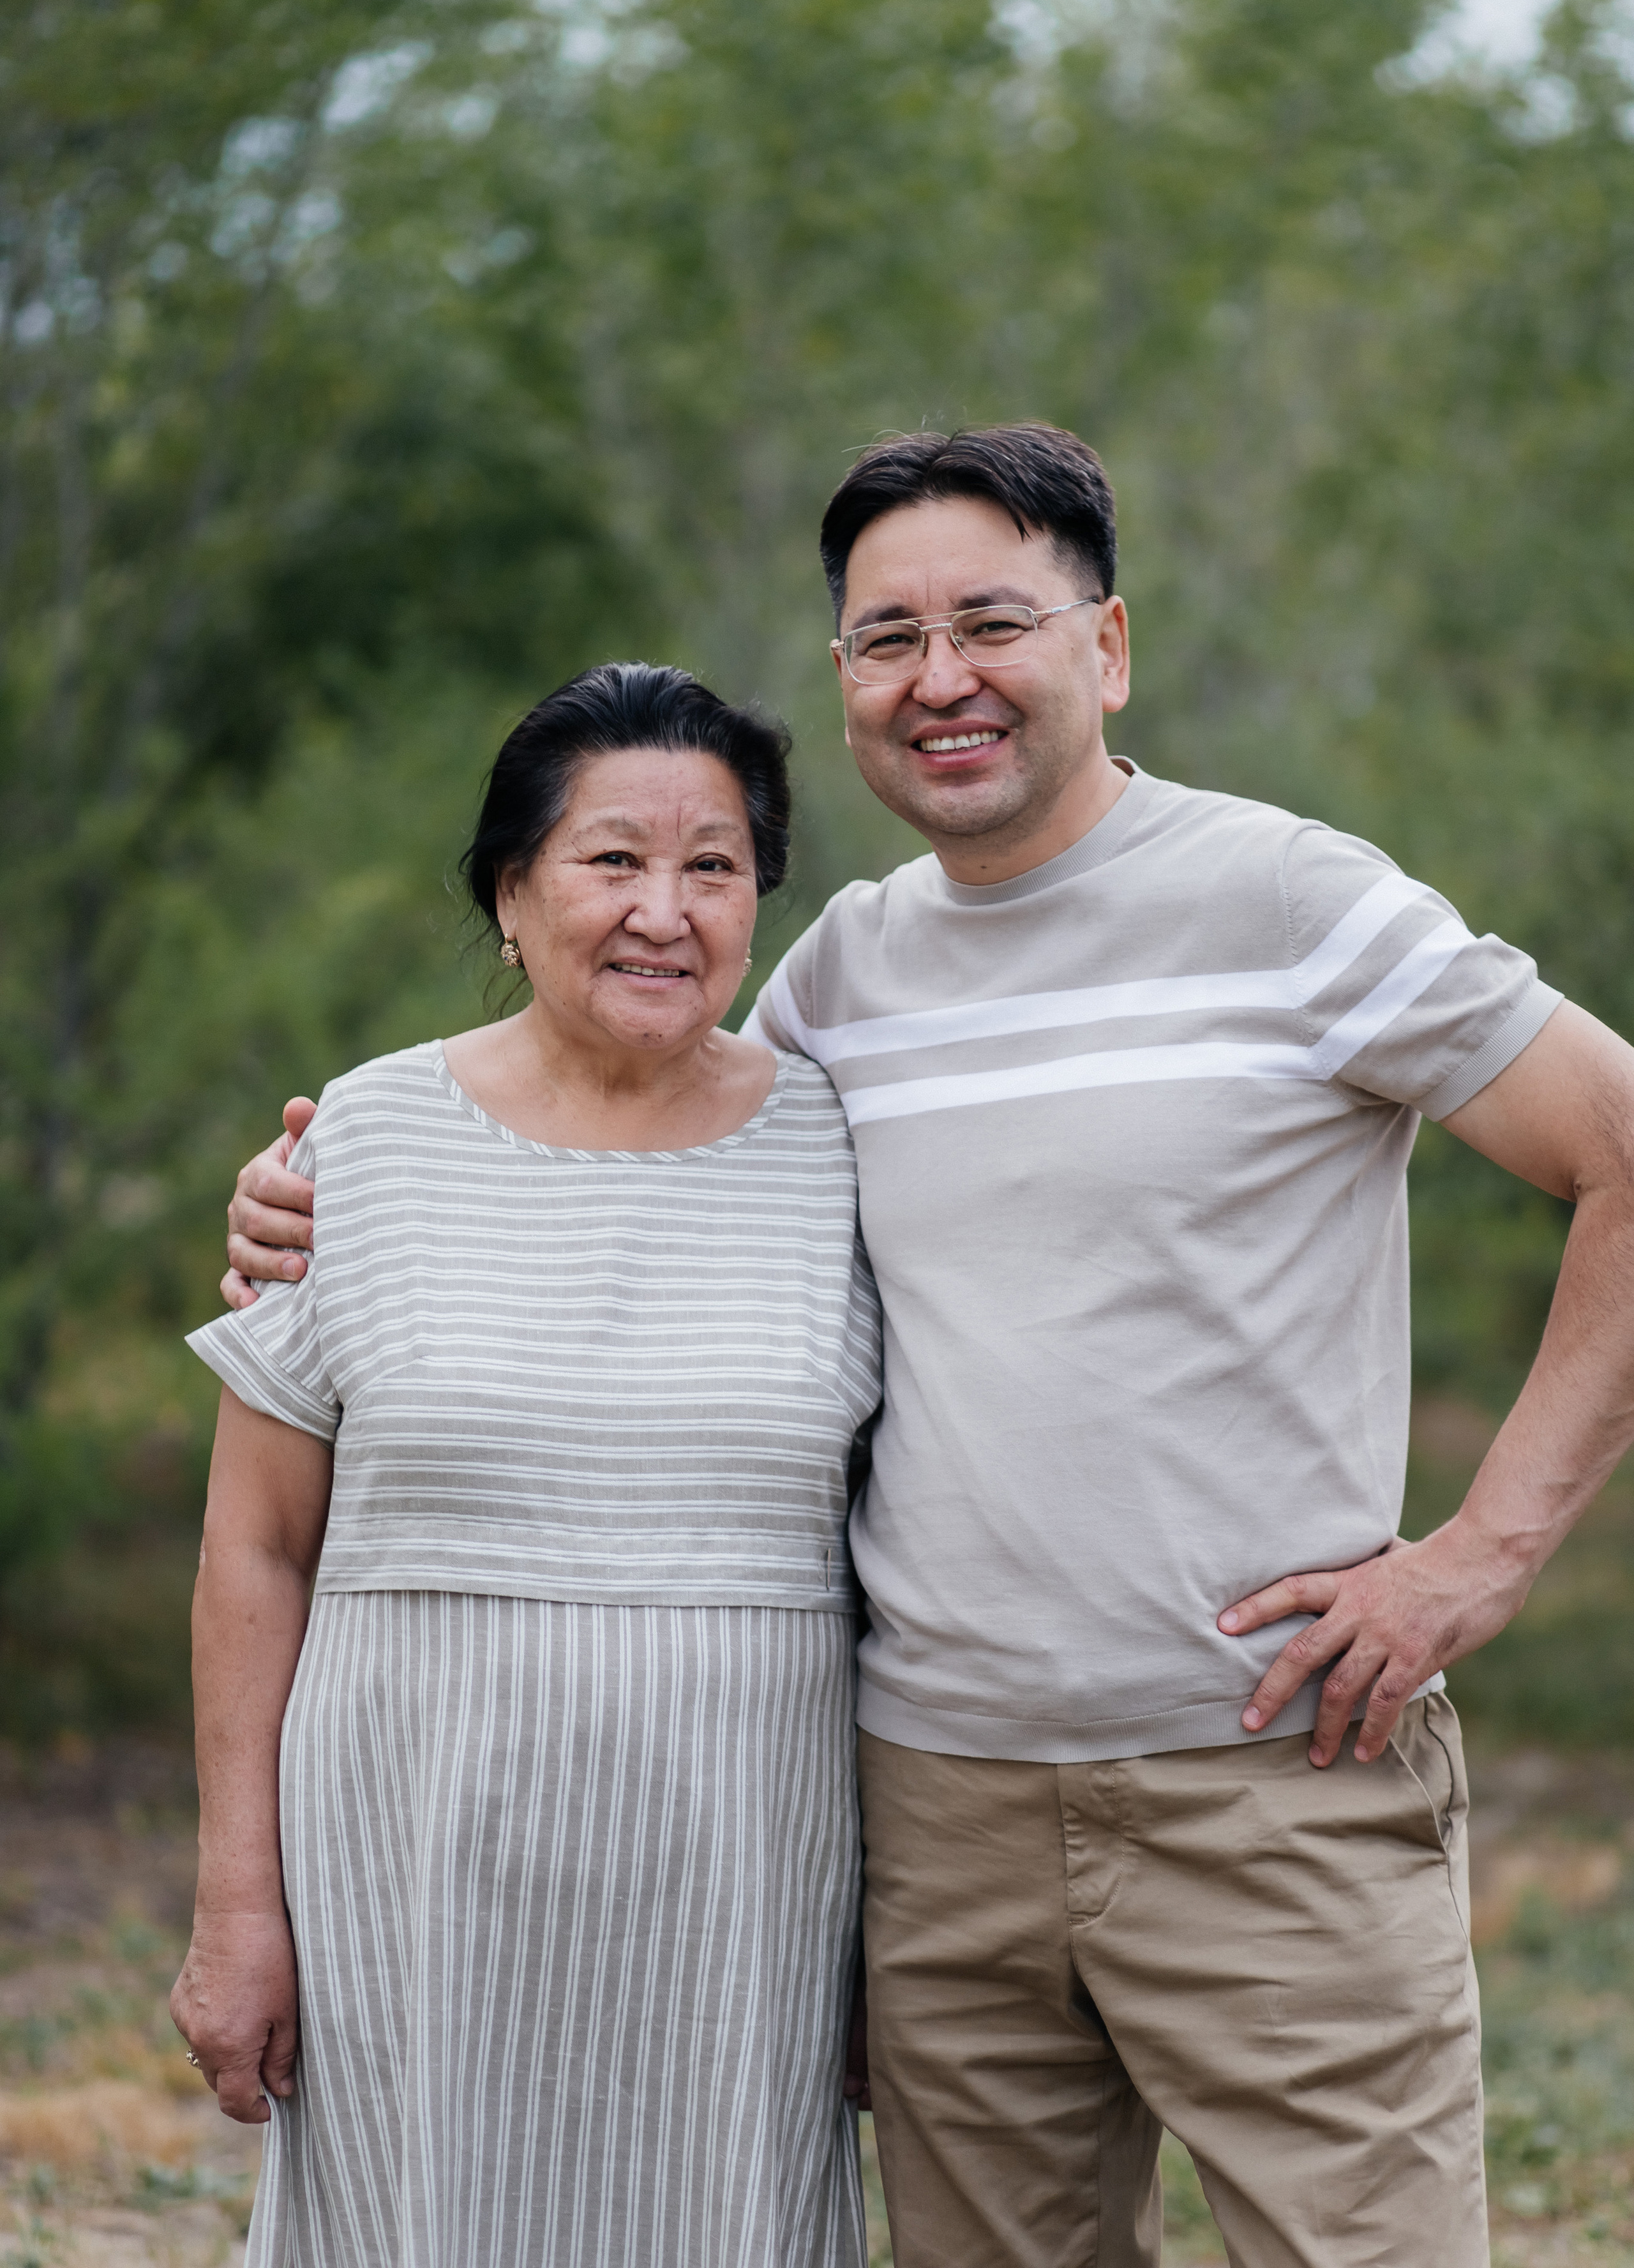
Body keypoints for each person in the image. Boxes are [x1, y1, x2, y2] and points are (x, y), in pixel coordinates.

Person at [225, 426, 1634, 2268]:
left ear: (1107, 648)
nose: (941, 679)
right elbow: (619, 1139)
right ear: (845, 683)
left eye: (992, 622)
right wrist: (328, 1194)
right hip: (933, 1811)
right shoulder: (841, 986)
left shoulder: (1296, 904)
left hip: (1259, 1779)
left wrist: (1479, 1561)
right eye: (888, 639)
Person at [173, 663, 882, 2268]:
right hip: (410, 1865)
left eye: (713, 867)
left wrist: (888, 1936)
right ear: (509, 894)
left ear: (761, 904)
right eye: (610, 860)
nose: (663, 909)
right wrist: (236, 1911)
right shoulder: (356, 1140)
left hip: (744, 1873)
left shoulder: (846, 1147)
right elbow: (254, 1551)